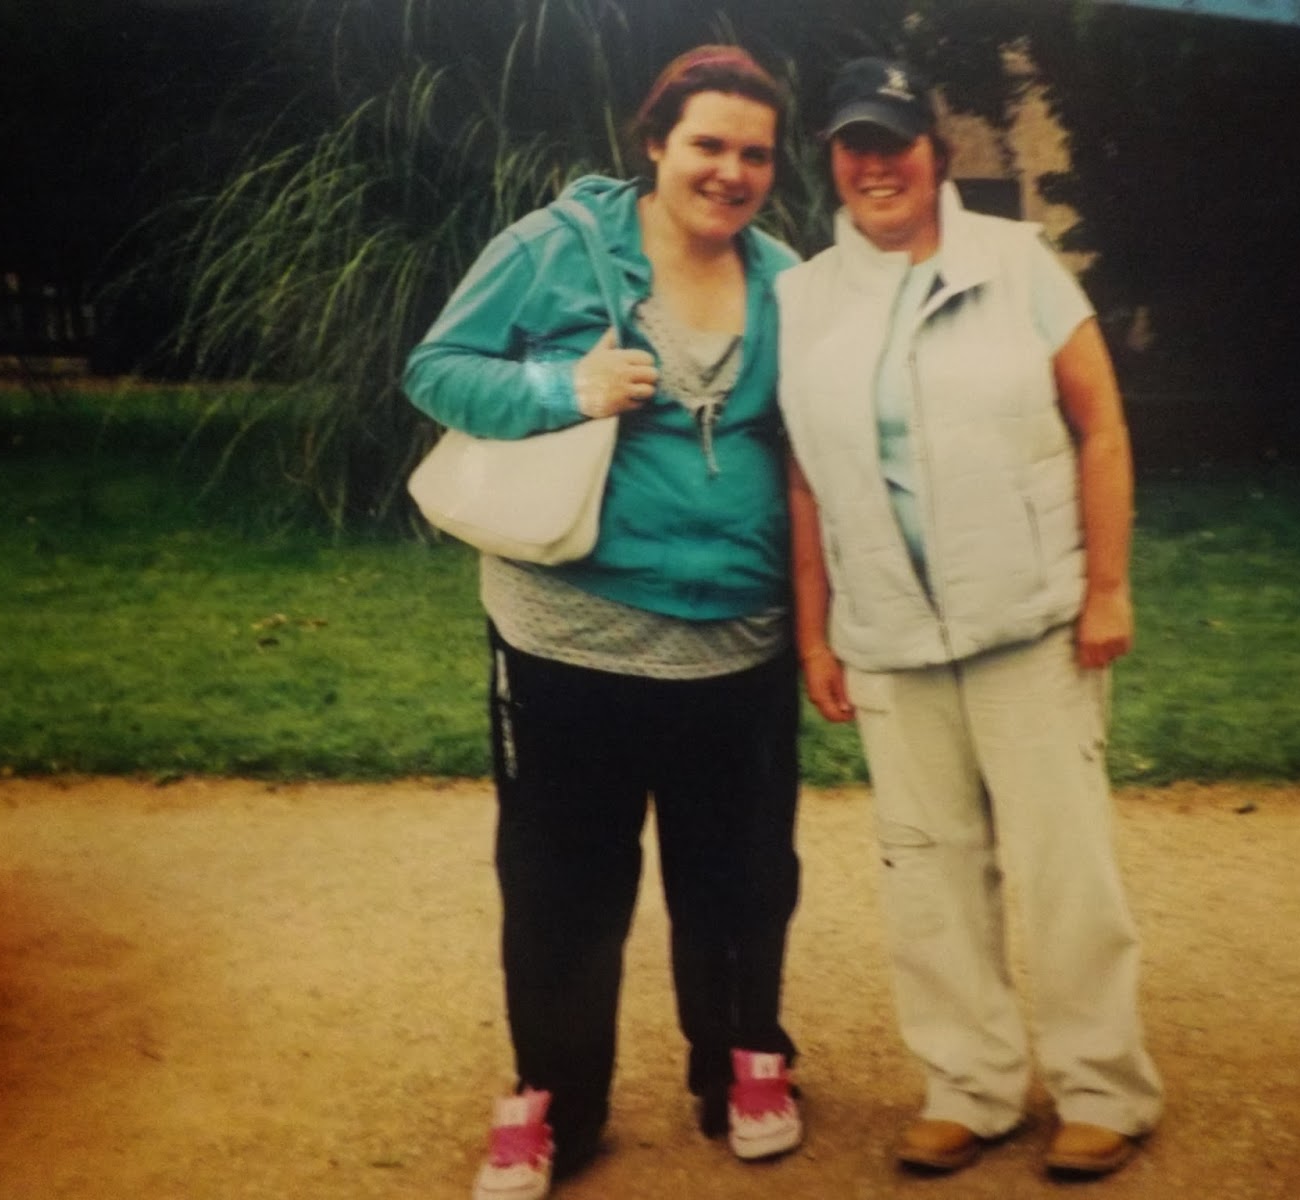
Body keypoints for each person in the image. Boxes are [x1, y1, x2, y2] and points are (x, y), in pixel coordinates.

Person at [402, 45, 804, 1200]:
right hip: (567, 639)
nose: (729, 172)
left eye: (754, 155)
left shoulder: (788, 281)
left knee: (740, 873)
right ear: (655, 142)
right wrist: (560, 390)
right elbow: (436, 368)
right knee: (562, 882)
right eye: (707, 145)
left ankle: (742, 1059)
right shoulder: (554, 247)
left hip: (739, 641)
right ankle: (554, 1098)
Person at [776, 58, 1164, 1180]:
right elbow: (802, 478)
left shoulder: (1016, 261)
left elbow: (1101, 425)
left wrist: (1106, 585)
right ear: (831, 160)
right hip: (890, 639)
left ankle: (1104, 1088)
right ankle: (970, 1087)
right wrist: (816, 634)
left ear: (934, 153)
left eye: (894, 141)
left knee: (1065, 868)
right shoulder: (802, 299)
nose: (875, 164)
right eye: (854, 144)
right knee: (929, 875)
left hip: (1031, 622)